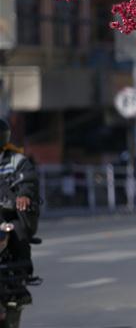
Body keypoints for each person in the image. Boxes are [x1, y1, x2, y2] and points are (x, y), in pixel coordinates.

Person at [0, 118, 39, 302]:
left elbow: (28, 181)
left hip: (7, 214)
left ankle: (20, 281)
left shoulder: (17, 160)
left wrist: (24, 195)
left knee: (18, 233)